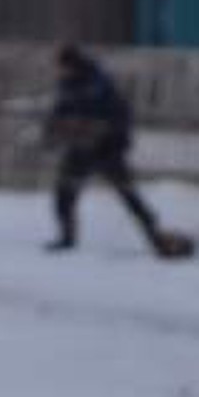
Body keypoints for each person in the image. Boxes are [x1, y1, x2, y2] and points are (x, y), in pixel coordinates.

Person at [43, 43, 163, 254]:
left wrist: (113, 138)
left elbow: (117, 115)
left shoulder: (98, 83)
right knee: (65, 191)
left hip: (108, 148)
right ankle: (66, 237)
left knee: (127, 193)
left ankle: (155, 233)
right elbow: (60, 112)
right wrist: (51, 133)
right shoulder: (68, 85)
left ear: (71, 65)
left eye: (61, 66)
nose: (59, 71)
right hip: (81, 147)